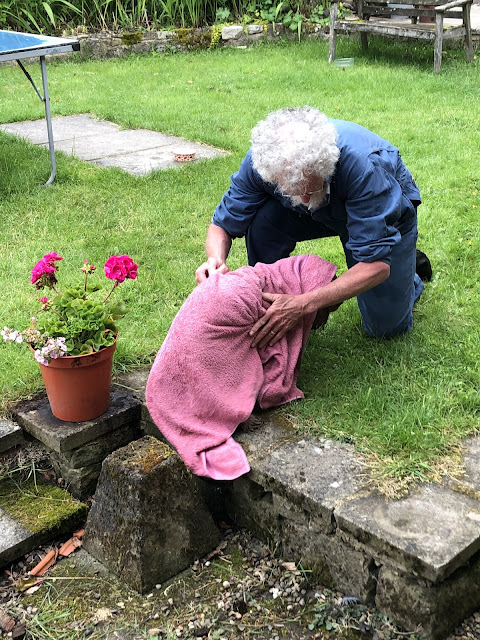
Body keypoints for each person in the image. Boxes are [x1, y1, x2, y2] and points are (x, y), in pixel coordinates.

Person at [195, 107, 432, 346]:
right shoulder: (263, 160)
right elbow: (222, 224)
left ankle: (404, 270)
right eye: (293, 191)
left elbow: (376, 266)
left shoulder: (363, 167)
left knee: (385, 328)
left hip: (379, 210)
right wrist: (215, 260)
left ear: (327, 168)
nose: (304, 199)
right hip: (325, 208)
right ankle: (269, 295)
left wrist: (304, 304)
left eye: (310, 188)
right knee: (262, 220)